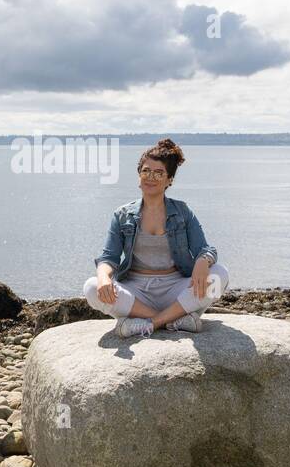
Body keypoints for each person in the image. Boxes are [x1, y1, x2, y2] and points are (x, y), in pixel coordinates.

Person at [83, 138, 229, 337]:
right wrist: (103, 277)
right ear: (138, 175)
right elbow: (109, 258)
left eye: (159, 173)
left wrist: (203, 261)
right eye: (146, 171)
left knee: (220, 274)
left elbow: (206, 249)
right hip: (136, 292)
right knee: (92, 287)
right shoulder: (122, 214)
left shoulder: (182, 212)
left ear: (169, 180)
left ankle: (150, 323)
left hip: (174, 289)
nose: (150, 177)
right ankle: (174, 320)